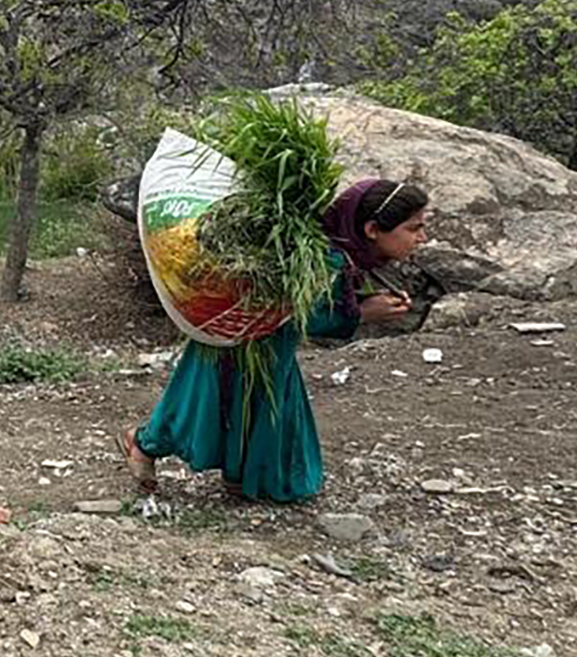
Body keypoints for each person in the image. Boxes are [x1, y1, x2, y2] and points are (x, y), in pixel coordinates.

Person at [116, 178, 430, 502]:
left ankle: (239, 472)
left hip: (263, 347)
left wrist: (363, 303)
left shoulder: (342, 253)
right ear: (372, 229)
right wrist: (362, 313)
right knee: (199, 406)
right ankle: (141, 444)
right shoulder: (327, 258)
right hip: (240, 339)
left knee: (237, 412)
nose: (421, 237)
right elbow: (296, 316)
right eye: (413, 228)